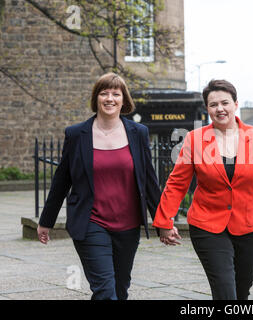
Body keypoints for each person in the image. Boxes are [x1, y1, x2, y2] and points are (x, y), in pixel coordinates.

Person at [152, 79, 253, 300]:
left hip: (250, 225)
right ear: (207, 109)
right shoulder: (195, 140)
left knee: (241, 291)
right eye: (213, 104)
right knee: (224, 291)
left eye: (225, 102)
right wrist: (164, 221)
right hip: (207, 225)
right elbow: (176, 183)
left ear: (235, 104)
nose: (220, 108)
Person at [37, 73, 162, 300]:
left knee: (120, 288)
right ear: (96, 99)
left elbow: (149, 181)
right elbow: (61, 180)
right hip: (90, 222)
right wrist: (46, 221)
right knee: (105, 291)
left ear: (124, 100)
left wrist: (163, 222)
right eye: (104, 93)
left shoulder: (138, 133)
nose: (110, 98)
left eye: (116, 93)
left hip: (128, 225)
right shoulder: (76, 134)